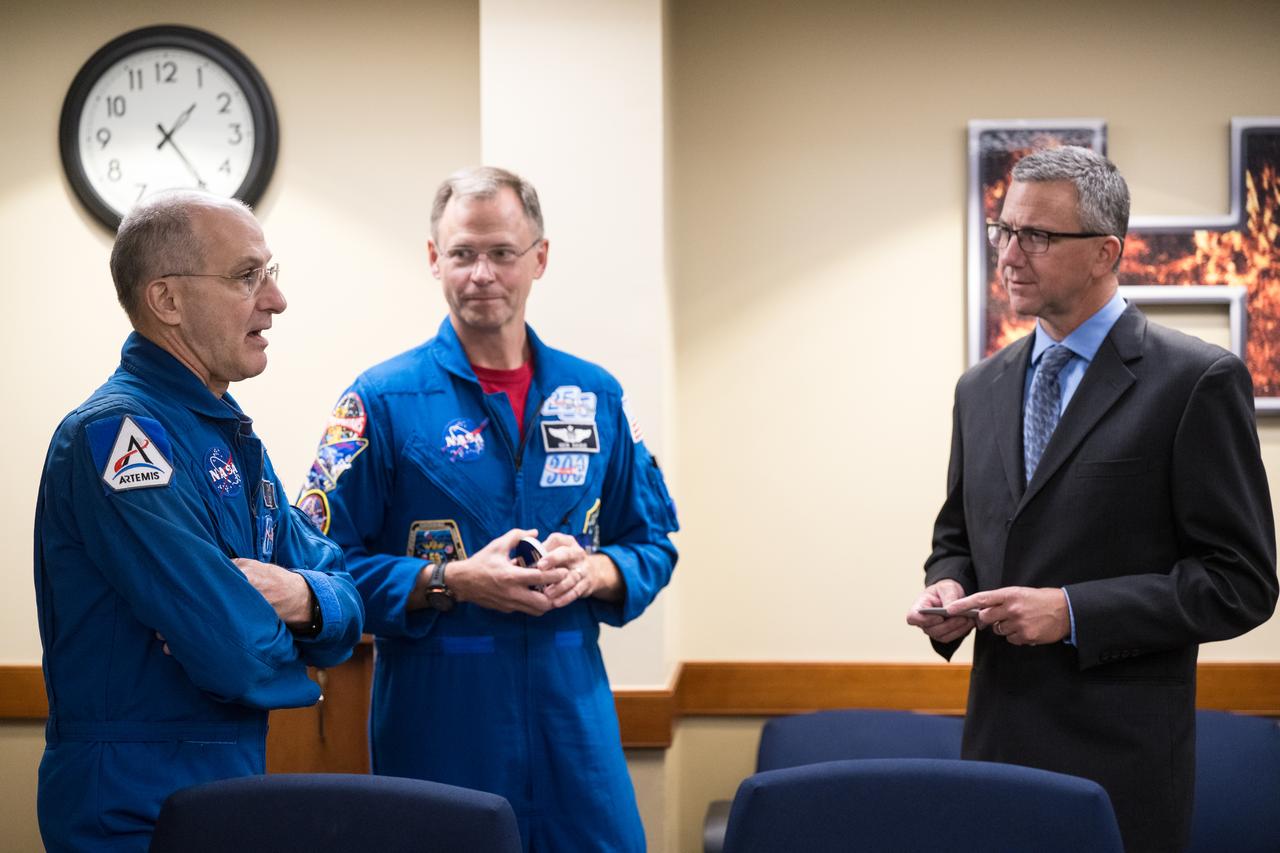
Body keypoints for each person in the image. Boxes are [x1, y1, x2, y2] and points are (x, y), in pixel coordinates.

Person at [907, 145, 1278, 852]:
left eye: (1036, 235)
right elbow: (957, 535)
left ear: (1106, 252)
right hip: (993, 758)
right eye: (1003, 230)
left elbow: (1242, 583)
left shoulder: (1196, 381)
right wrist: (946, 588)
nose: (1009, 254)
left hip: (1121, 774)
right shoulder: (978, 388)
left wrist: (1072, 612)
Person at [300, 166, 678, 851]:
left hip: (575, 727)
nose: (482, 273)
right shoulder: (382, 401)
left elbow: (653, 542)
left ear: (540, 257)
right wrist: (448, 581)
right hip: (440, 726)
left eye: (502, 252)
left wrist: (594, 571)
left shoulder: (595, 395)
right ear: (432, 258)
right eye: (463, 253)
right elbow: (318, 568)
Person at [34, 191, 365, 853]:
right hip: (131, 809)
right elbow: (233, 653)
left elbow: (344, 588)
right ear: (167, 300)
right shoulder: (116, 437)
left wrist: (305, 597)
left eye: (272, 273)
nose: (276, 299)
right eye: (248, 276)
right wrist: (290, 641)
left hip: (227, 793)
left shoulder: (228, 436)